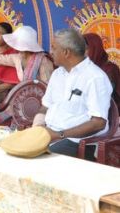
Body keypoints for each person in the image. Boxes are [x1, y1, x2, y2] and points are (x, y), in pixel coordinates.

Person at [33, 29, 112, 160]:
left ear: (66, 52)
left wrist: (59, 134)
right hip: (50, 134)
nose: (50, 51)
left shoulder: (95, 78)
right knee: (12, 150)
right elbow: (46, 106)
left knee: (35, 159)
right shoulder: (58, 74)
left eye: (53, 48)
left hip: (76, 141)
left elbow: (98, 123)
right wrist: (38, 126)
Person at [0, 25, 54, 124]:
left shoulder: (43, 60)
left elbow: (48, 88)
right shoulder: (18, 58)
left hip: (39, 102)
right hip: (22, 98)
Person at [83, 33, 119, 111]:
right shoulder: (83, 70)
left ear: (95, 48)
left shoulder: (110, 69)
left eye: (85, 49)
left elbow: (105, 97)